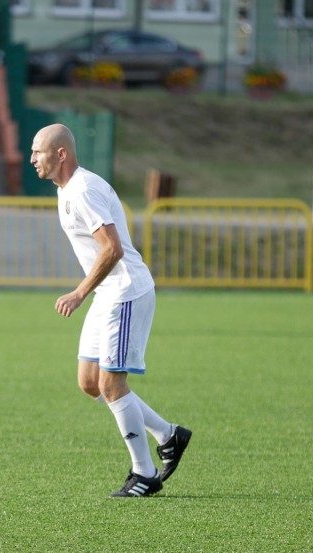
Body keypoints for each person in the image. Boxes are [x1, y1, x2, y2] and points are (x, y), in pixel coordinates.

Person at [29, 123, 192, 498]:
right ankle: (168, 435)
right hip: (107, 294)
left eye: (38, 151)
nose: (32, 158)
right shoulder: (66, 189)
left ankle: (145, 473)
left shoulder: (83, 190)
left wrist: (79, 293)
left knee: (111, 384)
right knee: (90, 383)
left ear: (61, 154)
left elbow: (112, 249)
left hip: (124, 293)